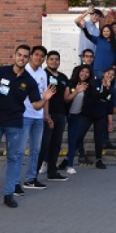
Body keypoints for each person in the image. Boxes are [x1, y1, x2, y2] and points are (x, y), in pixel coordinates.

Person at [0, 45, 53, 209]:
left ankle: (9, 194)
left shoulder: (29, 81)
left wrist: (45, 98)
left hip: (15, 124)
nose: (22, 58)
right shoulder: (0, 72)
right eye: (19, 55)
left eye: (25, 56)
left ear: (28, 59)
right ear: (14, 55)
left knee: (14, 158)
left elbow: (36, 105)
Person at [17, 46, 53, 193]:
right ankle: (14, 182)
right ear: (31, 56)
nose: (39, 58)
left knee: (36, 149)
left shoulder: (43, 74)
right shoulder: (23, 71)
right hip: (25, 115)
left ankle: (30, 179)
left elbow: (46, 95)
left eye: (42, 56)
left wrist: (46, 114)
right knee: (20, 150)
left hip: (38, 116)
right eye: (36, 55)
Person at [36, 51, 71, 182]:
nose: (54, 61)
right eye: (51, 59)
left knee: (56, 144)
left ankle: (52, 171)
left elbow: (66, 98)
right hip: (47, 114)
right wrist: (46, 114)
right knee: (44, 144)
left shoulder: (63, 77)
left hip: (61, 114)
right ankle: (33, 174)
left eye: (56, 59)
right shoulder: (43, 75)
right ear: (46, 61)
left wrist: (77, 92)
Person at [74, 67, 116, 170]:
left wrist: (110, 122)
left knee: (98, 137)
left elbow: (109, 106)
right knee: (79, 135)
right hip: (88, 114)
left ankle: (99, 159)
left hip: (101, 115)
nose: (109, 76)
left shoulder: (112, 89)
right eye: (108, 73)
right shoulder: (94, 82)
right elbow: (95, 96)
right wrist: (106, 90)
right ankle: (68, 157)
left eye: (112, 75)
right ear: (103, 73)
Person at [62, 64, 92, 173]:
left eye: (87, 72)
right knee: (54, 140)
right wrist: (77, 91)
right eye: (82, 71)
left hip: (77, 115)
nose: (84, 74)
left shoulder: (89, 86)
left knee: (73, 140)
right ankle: (46, 162)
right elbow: (66, 100)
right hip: (65, 114)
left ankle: (70, 165)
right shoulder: (70, 83)